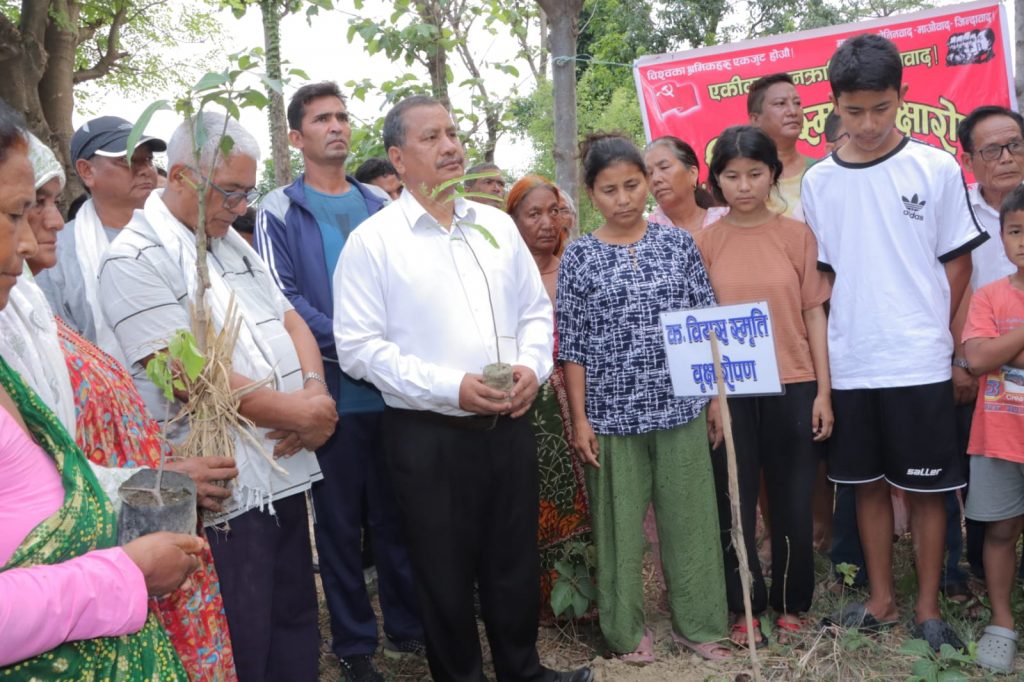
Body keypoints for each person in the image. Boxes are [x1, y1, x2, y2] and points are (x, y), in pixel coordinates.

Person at [334, 95, 591, 682]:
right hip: (428, 435)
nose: (451, 146)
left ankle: (522, 670)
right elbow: (358, 348)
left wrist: (529, 365)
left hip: (509, 421)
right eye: (431, 138)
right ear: (397, 159)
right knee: (442, 571)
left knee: (513, 558)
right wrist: (452, 388)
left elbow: (533, 312)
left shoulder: (496, 225)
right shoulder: (374, 244)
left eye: (452, 133)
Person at [98, 111, 338, 682]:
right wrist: (300, 415)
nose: (239, 206)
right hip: (221, 481)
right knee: (241, 630)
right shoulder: (134, 257)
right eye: (229, 192)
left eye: (245, 192)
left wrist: (315, 392)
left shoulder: (229, 242)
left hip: (279, 465)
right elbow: (181, 372)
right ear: (180, 177)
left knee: (294, 616)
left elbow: (291, 321)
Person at [14, 132, 240, 680]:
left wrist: (148, 477)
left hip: (109, 544)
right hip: (70, 587)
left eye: (48, 202)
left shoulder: (25, 308)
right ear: (88, 172)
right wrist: (123, 557)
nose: (49, 223)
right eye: (25, 207)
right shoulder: (98, 268)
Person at [802, 34, 987, 650]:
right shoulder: (819, 181)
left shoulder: (933, 167)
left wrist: (943, 339)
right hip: (853, 361)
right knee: (868, 486)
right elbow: (824, 275)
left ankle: (929, 607)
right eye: (854, 112)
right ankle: (881, 600)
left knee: (931, 488)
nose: (869, 123)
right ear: (834, 105)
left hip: (917, 357)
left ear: (901, 97)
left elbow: (957, 266)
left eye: (881, 108)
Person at [256, 81, 423, 682]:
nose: (337, 126)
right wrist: (356, 344)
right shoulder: (277, 209)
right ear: (297, 138)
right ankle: (355, 645)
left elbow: (406, 289)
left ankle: (409, 627)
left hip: (393, 393)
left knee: (397, 518)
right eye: (322, 119)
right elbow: (284, 299)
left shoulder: (381, 206)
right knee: (339, 528)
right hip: (327, 397)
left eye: (343, 117)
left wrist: (384, 353)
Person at [557, 132, 730, 663]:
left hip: (680, 405)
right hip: (610, 416)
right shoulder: (580, 257)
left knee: (692, 519)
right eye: (610, 190)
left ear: (648, 184)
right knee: (617, 531)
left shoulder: (677, 244)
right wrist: (581, 420)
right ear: (592, 195)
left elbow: (706, 325)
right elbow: (575, 347)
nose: (625, 198)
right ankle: (625, 631)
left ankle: (698, 624)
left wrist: (716, 400)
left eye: (633, 184)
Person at [696, 125, 832, 646]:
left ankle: (791, 602)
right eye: (732, 175)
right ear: (717, 181)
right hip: (729, 393)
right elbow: (698, 326)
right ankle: (745, 604)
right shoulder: (705, 242)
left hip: (793, 384)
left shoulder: (796, 236)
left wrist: (823, 391)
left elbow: (814, 314)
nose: (744, 185)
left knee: (794, 499)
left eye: (755, 173)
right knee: (733, 499)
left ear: (773, 175)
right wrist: (711, 397)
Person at [505, 175, 592, 619]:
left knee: (581, 499)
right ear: (512, 220)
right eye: (533, 214)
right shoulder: (500, 273)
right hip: (525, 404)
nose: (546, 223)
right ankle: (533, 599)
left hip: (578, 397)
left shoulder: (577, 265)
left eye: (553, 212)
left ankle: (581, 598)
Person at [957, 105, 1024, 591]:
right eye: (992, 150)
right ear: (970, 158)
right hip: (978, 373)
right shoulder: (955, 210)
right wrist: (965, 361)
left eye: (1015, 145)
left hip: (997, 358)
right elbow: (948, 288)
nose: (1007, 157)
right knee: (988, 484)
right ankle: (982, 575)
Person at [35, 115, 166, 366]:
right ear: (87, 171)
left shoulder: (179, 236)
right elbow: (59, 349)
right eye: (127, 159)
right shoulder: (57, 251)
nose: (145, 170)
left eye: (148, 159)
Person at [963, 184, 1024, 673]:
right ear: (1001, 237)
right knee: (1000, 529)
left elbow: (994, 352)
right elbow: (979, 357)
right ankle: (1001, 623)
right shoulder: (989, 296)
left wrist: (1005, 346)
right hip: (1000, 438)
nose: (1023, 240)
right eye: (1015, 230)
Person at [747, 74, 812, 219]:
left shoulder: (818, 171)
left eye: (797, 103)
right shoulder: (743, 180)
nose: (793, 112)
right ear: (755, 119)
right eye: (780, 104)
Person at [645, 136, 727, 233]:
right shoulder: (645, 234)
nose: (655, 179)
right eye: (649, 173)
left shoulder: (727, 220)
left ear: (692, 173)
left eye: (664, 167)